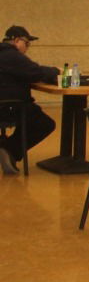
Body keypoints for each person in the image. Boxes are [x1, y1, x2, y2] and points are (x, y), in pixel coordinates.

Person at [0, 25, 57, 174]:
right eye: (27, 43)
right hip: (9, 107)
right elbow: (36, 72)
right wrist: (56, 71)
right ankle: (8, 149)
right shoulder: (12, 55)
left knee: (32, 114)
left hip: (6, 104)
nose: (27, 48)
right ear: (16, 40)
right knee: (45, 123)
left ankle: (8, 147)